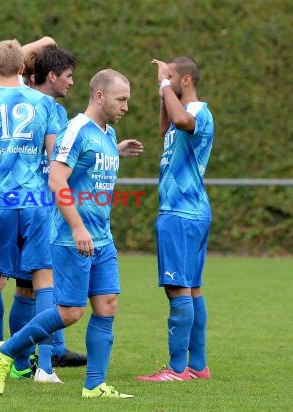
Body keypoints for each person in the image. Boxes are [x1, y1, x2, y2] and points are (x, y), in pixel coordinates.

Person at [0, 69, 137, 399]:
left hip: (102, 238)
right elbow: (57, 180)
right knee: (70, 312)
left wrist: (117, 150)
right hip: (73, 238)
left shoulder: (107, 134)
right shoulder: (76, 130)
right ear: (99, 96)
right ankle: (4, 351)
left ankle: (94, 385)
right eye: (121, 99)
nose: (126, 106)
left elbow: (90, 166)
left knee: (107, 304)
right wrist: (77, 225)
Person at [0, 39, 60, 384]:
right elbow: (54, 155)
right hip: (36, 201)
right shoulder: (43, 102)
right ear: (23, 68)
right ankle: (45, 368)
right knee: (42, 279)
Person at [137, 56, 214, 382]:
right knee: (192, 289)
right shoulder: (181, 114)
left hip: (181, 213)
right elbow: (166, 127)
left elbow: (181, 120)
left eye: (170, 78)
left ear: (184, 80)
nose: (163, 83)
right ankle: (197, 366)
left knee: (178, 289)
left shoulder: (198, 112)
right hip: (188, 212)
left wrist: (164, 84)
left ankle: (177, 369)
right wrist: (163, 95)